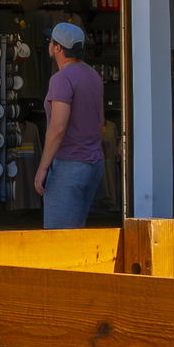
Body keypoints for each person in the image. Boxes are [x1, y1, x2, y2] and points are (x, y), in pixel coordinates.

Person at [31, 18, 110, 229]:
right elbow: (101, 121)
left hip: (69, 164)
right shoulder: (93, 76)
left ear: (57, 48)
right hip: (94, 163)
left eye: (51, 41)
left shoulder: (61, 79)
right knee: (77, 233)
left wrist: (42, 168)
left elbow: (57, 128)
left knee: (60, 239)